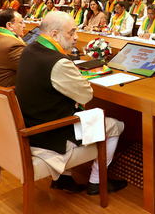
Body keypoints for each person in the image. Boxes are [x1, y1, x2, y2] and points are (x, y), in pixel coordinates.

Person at [15, 11, 127, 195]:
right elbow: (86, 95)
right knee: (116, 126)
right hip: (51, 135)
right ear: (54, 34)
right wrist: (74, 96)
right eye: (71, 32)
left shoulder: (28, 49)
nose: (76, 37)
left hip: (31, 125)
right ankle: (97, 182)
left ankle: (62, 178)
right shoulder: (58, 62)